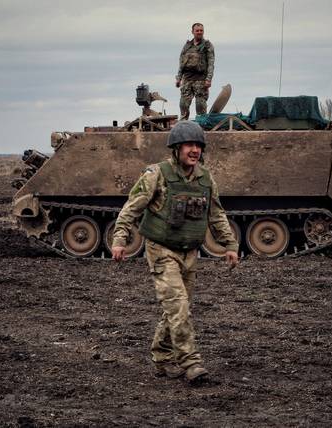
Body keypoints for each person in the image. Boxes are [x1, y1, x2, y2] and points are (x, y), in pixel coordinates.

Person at [111, 120, 238, 383]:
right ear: (176, 148)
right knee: (178, 306)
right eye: (189, 145)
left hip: (189, 252)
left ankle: (161, 359)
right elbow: (131, 208)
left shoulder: (205, 178)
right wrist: (120, 239)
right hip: (161, 249)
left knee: (177, 309)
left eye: (198, 146)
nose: (194, 150)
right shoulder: (156, 174)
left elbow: (216, 214)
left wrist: (230, 244)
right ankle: (191, 363)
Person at [175, 23, 215, 120]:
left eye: (201, 30)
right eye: (197, 30)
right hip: (187, 79)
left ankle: (201, 127)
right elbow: (182, 63)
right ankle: (184, 125)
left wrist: (208, 79)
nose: (199, 32)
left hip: (201, 80)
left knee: (200, 105)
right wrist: (178, 78)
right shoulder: (187, 46)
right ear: (193, 32)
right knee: (183, 104)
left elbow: (211, 63)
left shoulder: (207, 45)